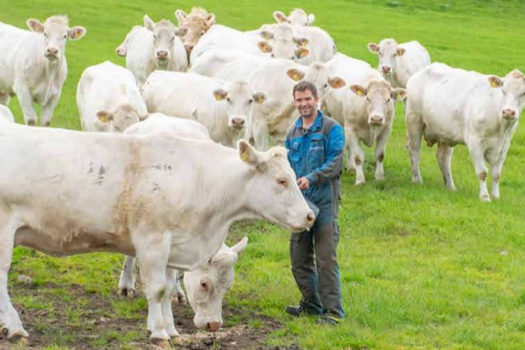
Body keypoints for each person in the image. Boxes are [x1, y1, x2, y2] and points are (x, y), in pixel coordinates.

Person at [284, 80, 345, 325]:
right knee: (299, 260)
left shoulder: (332, 129)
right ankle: (311, 305)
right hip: (300, 205)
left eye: (308, 99)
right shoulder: (293, 133)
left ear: (317, 99)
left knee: (325, 260)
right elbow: (287, 167)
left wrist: (312, 178)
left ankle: (333, 313)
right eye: (299, 100)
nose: (304, 104)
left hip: (325, 203)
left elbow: (337, 162)